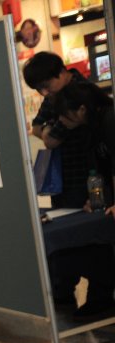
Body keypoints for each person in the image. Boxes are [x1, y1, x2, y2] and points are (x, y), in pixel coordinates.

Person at [50, 81, 115, 318]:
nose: (63, 122)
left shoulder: (109, 119)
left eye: (65, 116)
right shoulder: (92, 126)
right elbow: (100, 169)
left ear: (81, 110)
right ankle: (101, 300)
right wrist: (97, 199)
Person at [23, 51, 91, 208]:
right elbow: (36, 128)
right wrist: (49, 129)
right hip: (60, 180)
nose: (44, 93)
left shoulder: (80, 93)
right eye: (39, 89)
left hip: (85, 177)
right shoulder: (53, 95)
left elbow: (52, 142)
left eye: (45, 86)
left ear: (61, 73)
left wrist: (48, 132)